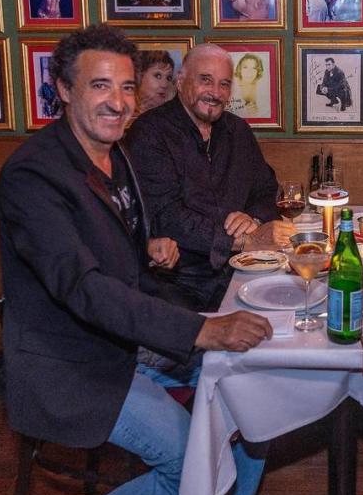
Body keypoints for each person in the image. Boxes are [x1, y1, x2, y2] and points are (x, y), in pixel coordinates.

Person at [0, 24, 274, 495]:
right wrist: (201, 330)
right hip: (74, 363)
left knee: (255, 411)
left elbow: (125, 262)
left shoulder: (114, 156)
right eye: (99, 85)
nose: (118, 101)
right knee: (198, 463)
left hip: (126, 340)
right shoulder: (34, 174)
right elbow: (84, 288)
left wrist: (151, 251)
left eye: (126, 87)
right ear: (64, 89)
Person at [125, 43, 295, 312]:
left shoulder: (237, 130)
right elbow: (167, 216)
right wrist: (242, 240)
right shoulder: (149, 133)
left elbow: (266, 188)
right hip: (178, 281)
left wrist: (254, 218)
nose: (215, 93)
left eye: (224, 84)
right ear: (180, 81)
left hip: (241, 271)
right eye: (205, 80)